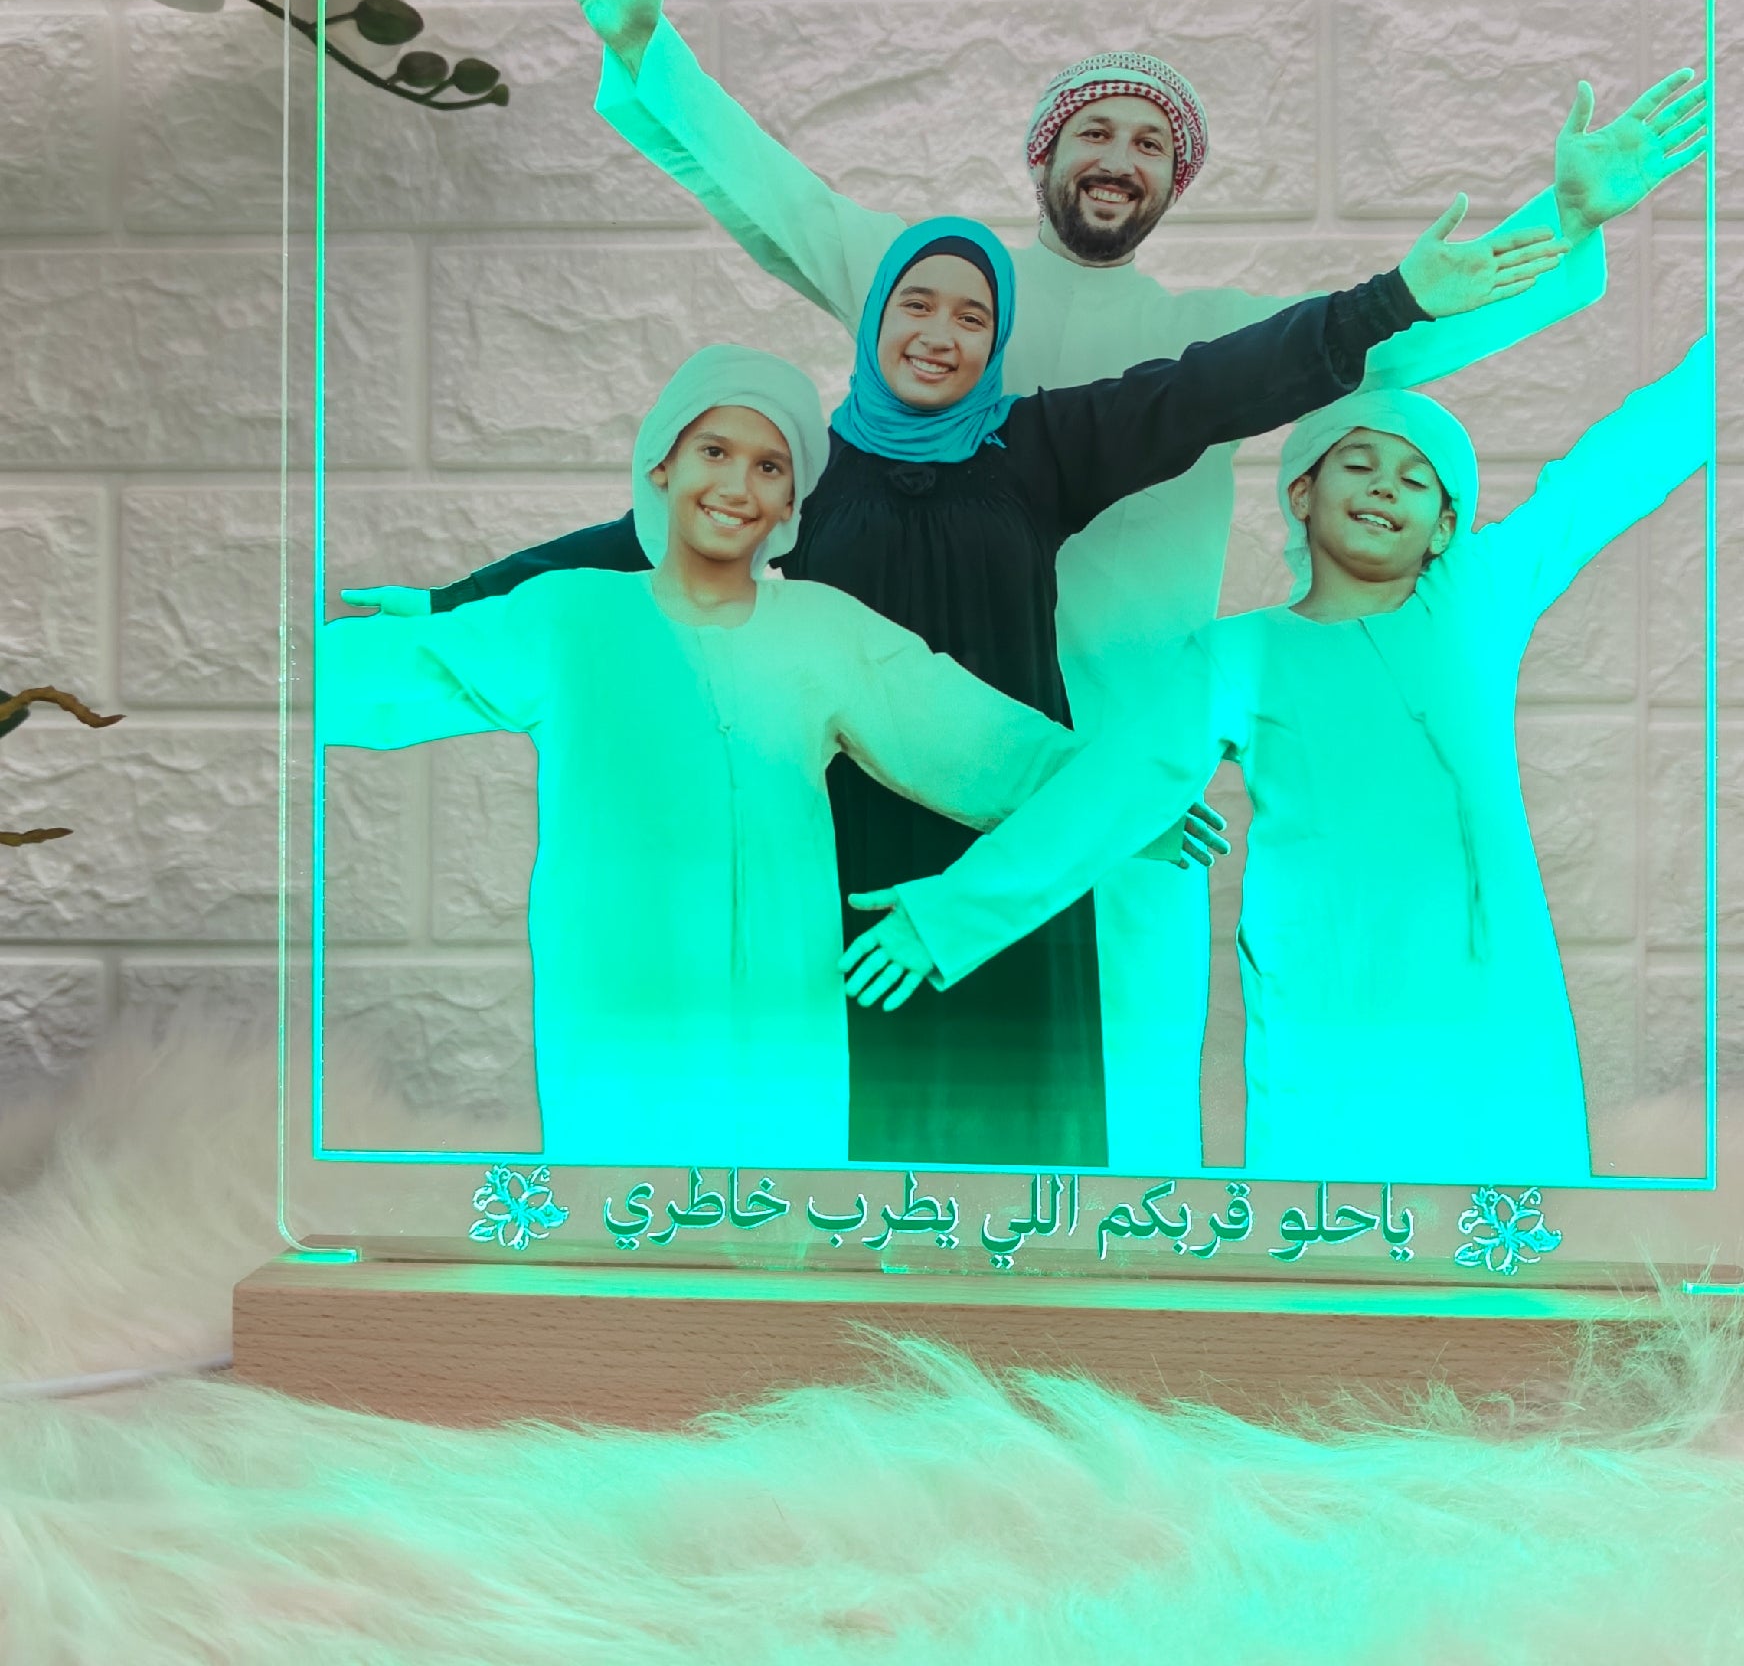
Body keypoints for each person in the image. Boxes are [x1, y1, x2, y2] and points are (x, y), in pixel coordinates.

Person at [358, 0, 1706, 1174]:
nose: (1118, 159)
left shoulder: (1202, 344)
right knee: (884, 1054)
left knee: (1130, 1083)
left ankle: (1123, 1308)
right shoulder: (933, 292)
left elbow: (1379, 326)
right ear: (1041, 157)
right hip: (891, 751)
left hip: (1130, 759)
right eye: (1093, 132)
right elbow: (768, 263)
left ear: (1173, 185)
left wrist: (1565, 219)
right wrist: (649, 47)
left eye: (1149, 146)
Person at [377, 202, 1562, 1171]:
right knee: (857, 1102)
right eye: (916, 303)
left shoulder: (1036, 448)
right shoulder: (804, 468)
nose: (939, 331)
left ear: (999, 341)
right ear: (874, 319)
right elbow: (633, 541)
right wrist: (449, 601)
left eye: (973, 314)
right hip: (857, 839)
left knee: (1021, 1112)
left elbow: (1213, 385)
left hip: (1014, 825)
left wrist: (1391, 300)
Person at [842, 334, 1715, 1187]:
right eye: (1359, 463)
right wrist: (950, 914)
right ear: (1303, 491)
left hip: (1488, 994)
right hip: (1330, 986)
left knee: (1512, 1237)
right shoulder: (1239, 654)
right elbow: (1107, 799)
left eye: (1417, 479)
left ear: (1445, 527)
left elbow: (1608, 472)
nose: (1385, 485)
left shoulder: (1473, 602)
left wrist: (1731, 358)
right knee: (1338, 1234)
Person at [316, 345, 1136, 1171]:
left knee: (784, 1228)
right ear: (662, 465)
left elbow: (992, 750)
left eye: (769, 467)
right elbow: (361, 678)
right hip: (620, 1023)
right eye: (714, 452)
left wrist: (1141, 807)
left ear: (789, 501)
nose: (738, 486)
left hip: (785, 1031)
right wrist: (272, 647)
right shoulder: (570, 616)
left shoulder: (823, 630)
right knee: (617, 1221)